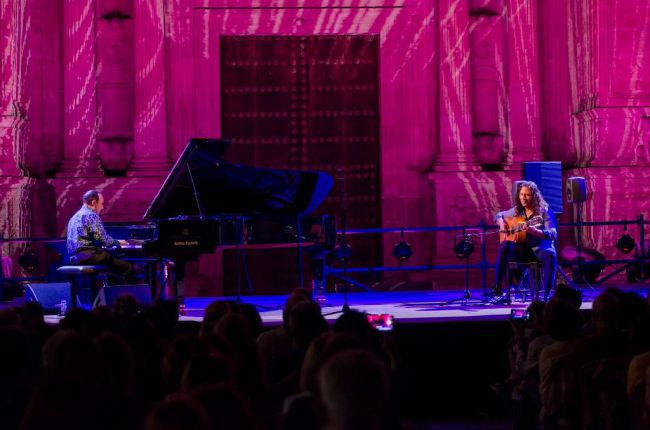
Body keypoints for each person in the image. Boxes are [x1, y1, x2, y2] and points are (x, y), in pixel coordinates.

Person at [493, 181, 557, 301]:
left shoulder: (544, 211)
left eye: (527, 195)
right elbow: (498, 215)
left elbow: (553, 233)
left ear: (534, 196)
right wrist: (501, 223)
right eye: (521, 194)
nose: (523, 198)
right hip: (523, 250)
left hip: (539, 249)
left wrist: (536, 232)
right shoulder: (517, 210)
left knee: (551, 254)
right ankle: (498, 287)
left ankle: (546, 295)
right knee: (505, 245)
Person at [66, 190, 132, 281]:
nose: (102, 207)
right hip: (88, 256)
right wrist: (118, 242)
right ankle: (120, 294)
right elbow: (103, 239)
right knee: (128, 267)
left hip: (74, 257)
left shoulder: (74, 217)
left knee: (111, 261)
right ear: (94, 203)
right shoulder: (91, 215)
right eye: (101, 204)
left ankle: (109, 287)